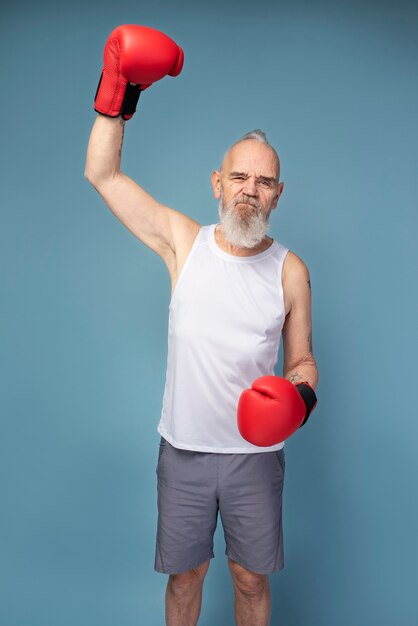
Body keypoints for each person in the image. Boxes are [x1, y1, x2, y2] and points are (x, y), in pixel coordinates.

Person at [85, 25, 318, 626]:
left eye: (263, 182)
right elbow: (103, 175)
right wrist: (119, 96)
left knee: (249, 579)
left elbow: (302, 362)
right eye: (239, 177)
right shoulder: (184, 243)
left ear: (277, 195)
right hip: (184, 450)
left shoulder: (290, 269)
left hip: (255, 457)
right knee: (186, 580)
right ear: (218, 184)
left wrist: (299, 398)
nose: (250, 190)